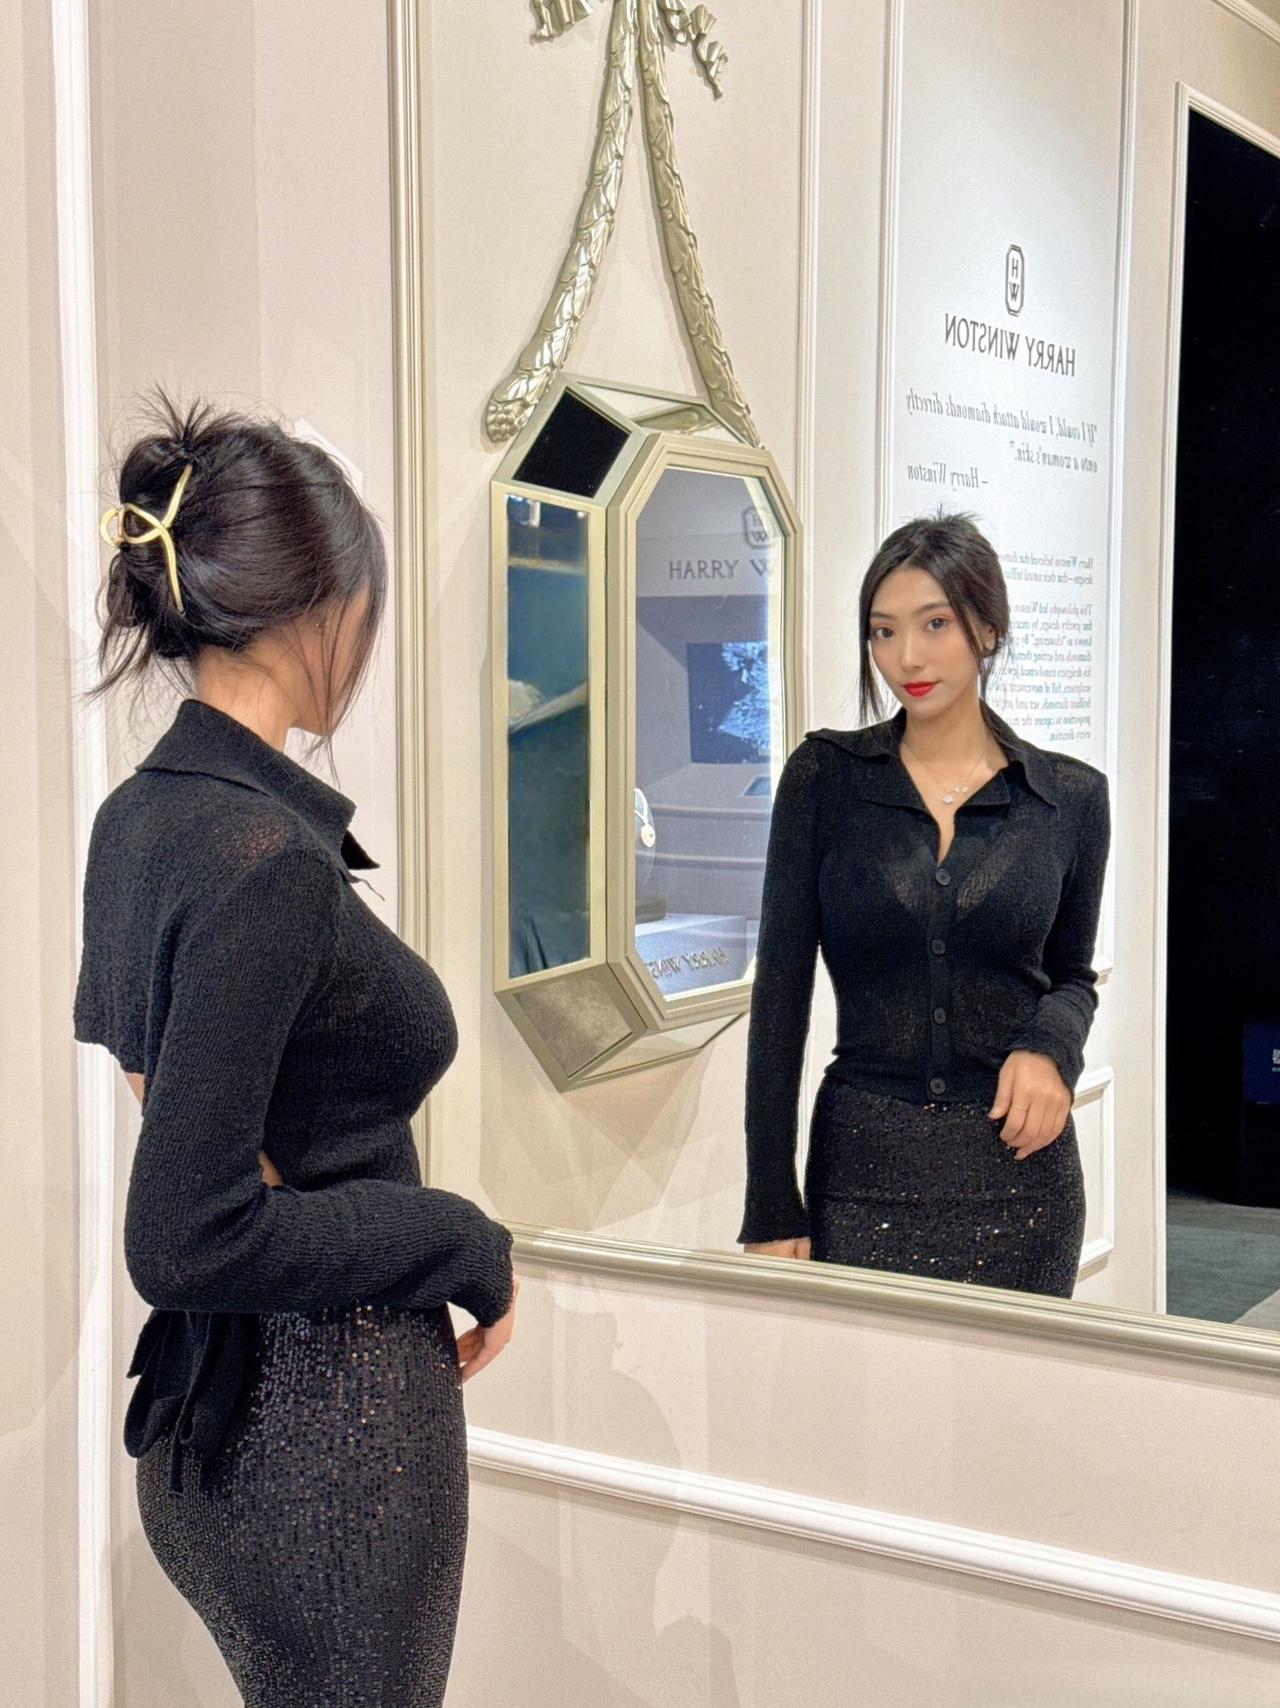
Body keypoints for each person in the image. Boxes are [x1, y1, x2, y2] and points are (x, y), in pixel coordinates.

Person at [73, 391, 516, 1708]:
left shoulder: (140, 817)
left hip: (217, 1425)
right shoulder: (264, 857)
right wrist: (457, 1238)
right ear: (330, 607)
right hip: (329, 1435)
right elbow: (187, 1233)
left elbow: (161, 1085)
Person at [738, 512, 1110, 1298]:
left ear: (988, 628)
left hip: (1022, 1178)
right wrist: (770, 1200)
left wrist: (1050, 1049)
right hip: (862, 1170)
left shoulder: (1070, 798)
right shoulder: (825, 779)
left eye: (934, 624)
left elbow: (1073, 975)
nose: (906, 656)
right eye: (884, 631)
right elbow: (779, 999)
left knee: (1012, 1382)